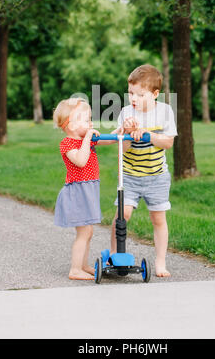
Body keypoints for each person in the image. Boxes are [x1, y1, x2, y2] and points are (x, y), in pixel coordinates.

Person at [111, 64, 177, 277]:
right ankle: (114, 255)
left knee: (158, 218)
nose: (134, 98)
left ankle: (160, 262)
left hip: (157, 176)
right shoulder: (126, 113)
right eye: (131, 93)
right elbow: (123, 147)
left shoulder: (165, 112)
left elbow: (167, 143)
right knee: (123, 214)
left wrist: (146, 133)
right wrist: (129, 133)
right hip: (130, 175)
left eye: (140, 94)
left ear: (155, 94)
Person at [53, 97, 116, 281]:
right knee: (83, 232)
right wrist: (88, 138)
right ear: (71, 125)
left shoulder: (85, 139)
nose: (91, 123)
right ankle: (74, 269)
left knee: (89, 231)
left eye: (90, 119)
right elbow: (80, 161)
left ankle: (83, 264)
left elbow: (110, 141)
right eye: (86, 120)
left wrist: (121, 132)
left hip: (88, 190)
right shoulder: (68, 144)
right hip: (77, 192)